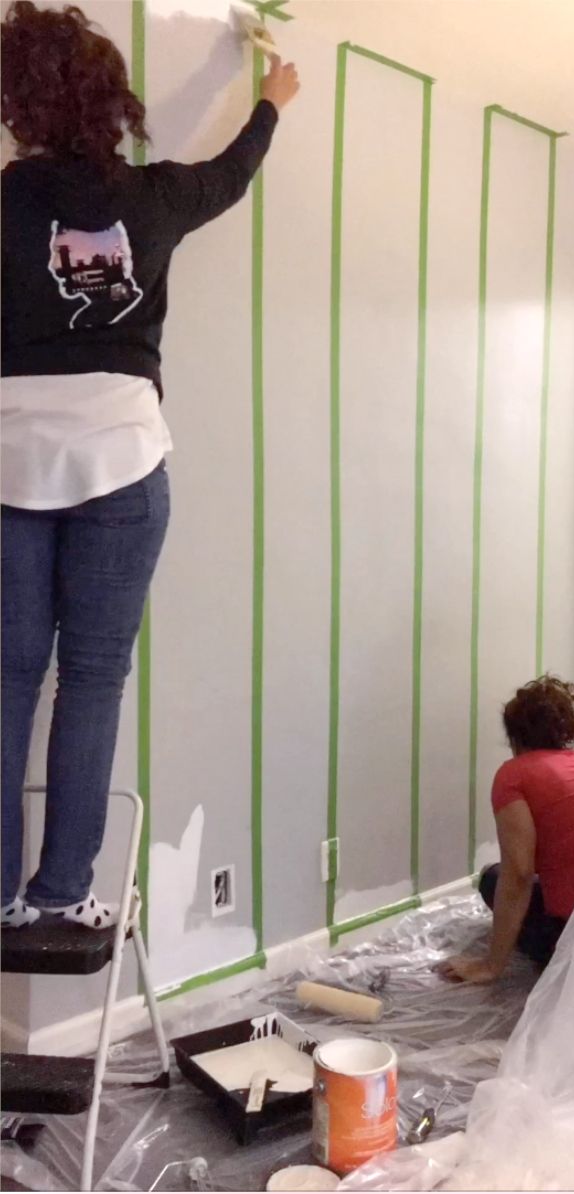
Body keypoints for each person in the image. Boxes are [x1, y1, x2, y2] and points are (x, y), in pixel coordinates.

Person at [1, 0, 299, 929]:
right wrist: (270, 100)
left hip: (9, 459)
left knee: (9, 680)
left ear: (21, 109)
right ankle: (62, 892)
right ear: (110, 103)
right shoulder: (154, 196)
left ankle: (1, 897)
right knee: (92, 679)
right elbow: (233, 174)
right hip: (124, 462)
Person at [440, 676, 574, 983]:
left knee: (493, 877)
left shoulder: (514, 775)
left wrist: (491, 965)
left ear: (514, 736)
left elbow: (520, 872)